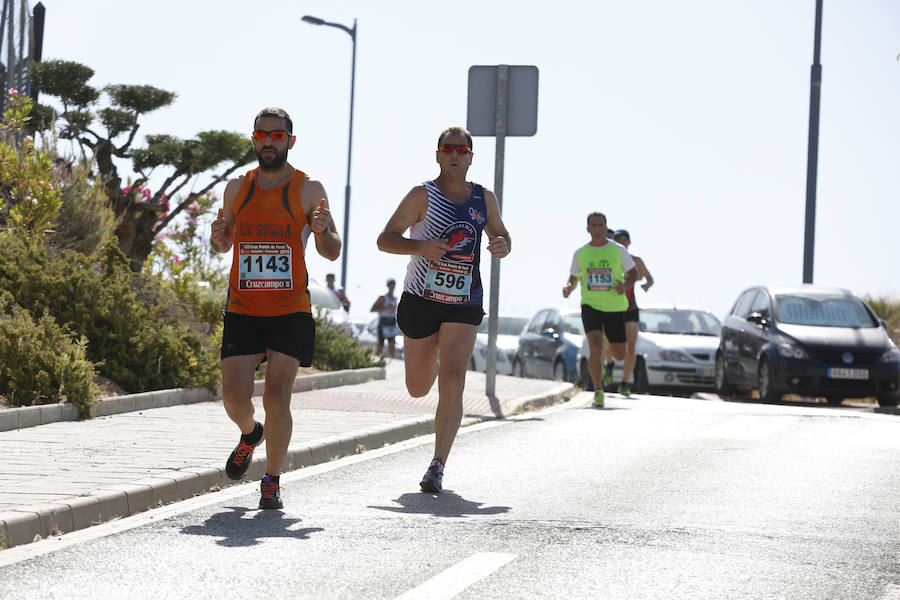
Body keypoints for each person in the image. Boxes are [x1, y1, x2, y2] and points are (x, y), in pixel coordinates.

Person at [210, 107, 341, 509]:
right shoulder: (237, 189)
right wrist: (217, 237)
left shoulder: (308, 188)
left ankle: (272, 479)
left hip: (289, 311)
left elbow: (332, 251)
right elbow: (223, 242)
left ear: (290, 141)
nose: (269, 141)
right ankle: (251, 434)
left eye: (277, 136)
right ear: (253, 140)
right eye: (262, 135)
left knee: (277, 396)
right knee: (233, 396)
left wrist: (321, 230)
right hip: (244, 308)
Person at [376, 126, 511, 493]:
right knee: (419, 388)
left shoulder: (485, 199)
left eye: (462, 149)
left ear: (470, 157)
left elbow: (502, 235)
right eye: (447, 149)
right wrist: (420, 248)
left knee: (454, 377)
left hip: (464, 301)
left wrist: (501, 245)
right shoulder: (423, 195)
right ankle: (430, 360)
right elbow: (385, 239)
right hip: (421, 299)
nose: (454, 154)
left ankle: (438, 464)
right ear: (437, 155)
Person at [562, 212, 637, 408]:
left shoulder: (618, 250)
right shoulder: (581, 253)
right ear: (587, 229)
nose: (596, 229)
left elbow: (633, 273)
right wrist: (569, 286)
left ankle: (608, 346)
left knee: (620, 354)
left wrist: (626, 285)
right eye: (593, 225)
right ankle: (598, 390)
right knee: (594, 348)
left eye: (600, 225)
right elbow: (574, 276)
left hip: (614, 307)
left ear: (605, 228)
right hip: (590, 305)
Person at [606, 229, 654, 396]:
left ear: (629, 242)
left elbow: (649, 278)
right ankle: (609, 363)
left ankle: (625, 383)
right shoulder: (610, 259)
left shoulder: (635, 261)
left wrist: (646, 285)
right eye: (618, 240)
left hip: (630, 308)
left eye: (625, 240)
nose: (622, 242)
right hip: (612, 308)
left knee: (631, 348)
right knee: (608, 343)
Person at [370, 278, 400, 358]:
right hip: (383, 322)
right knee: (380, 345)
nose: (392, 286)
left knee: (392, 344)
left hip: (392, 322)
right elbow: (372, 309)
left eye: (393, 284)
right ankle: (375, 362)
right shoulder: (383, 297)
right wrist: (386, 308)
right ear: (387, 285)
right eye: (390, 284)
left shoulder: (395, 298)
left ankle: (393, 364)